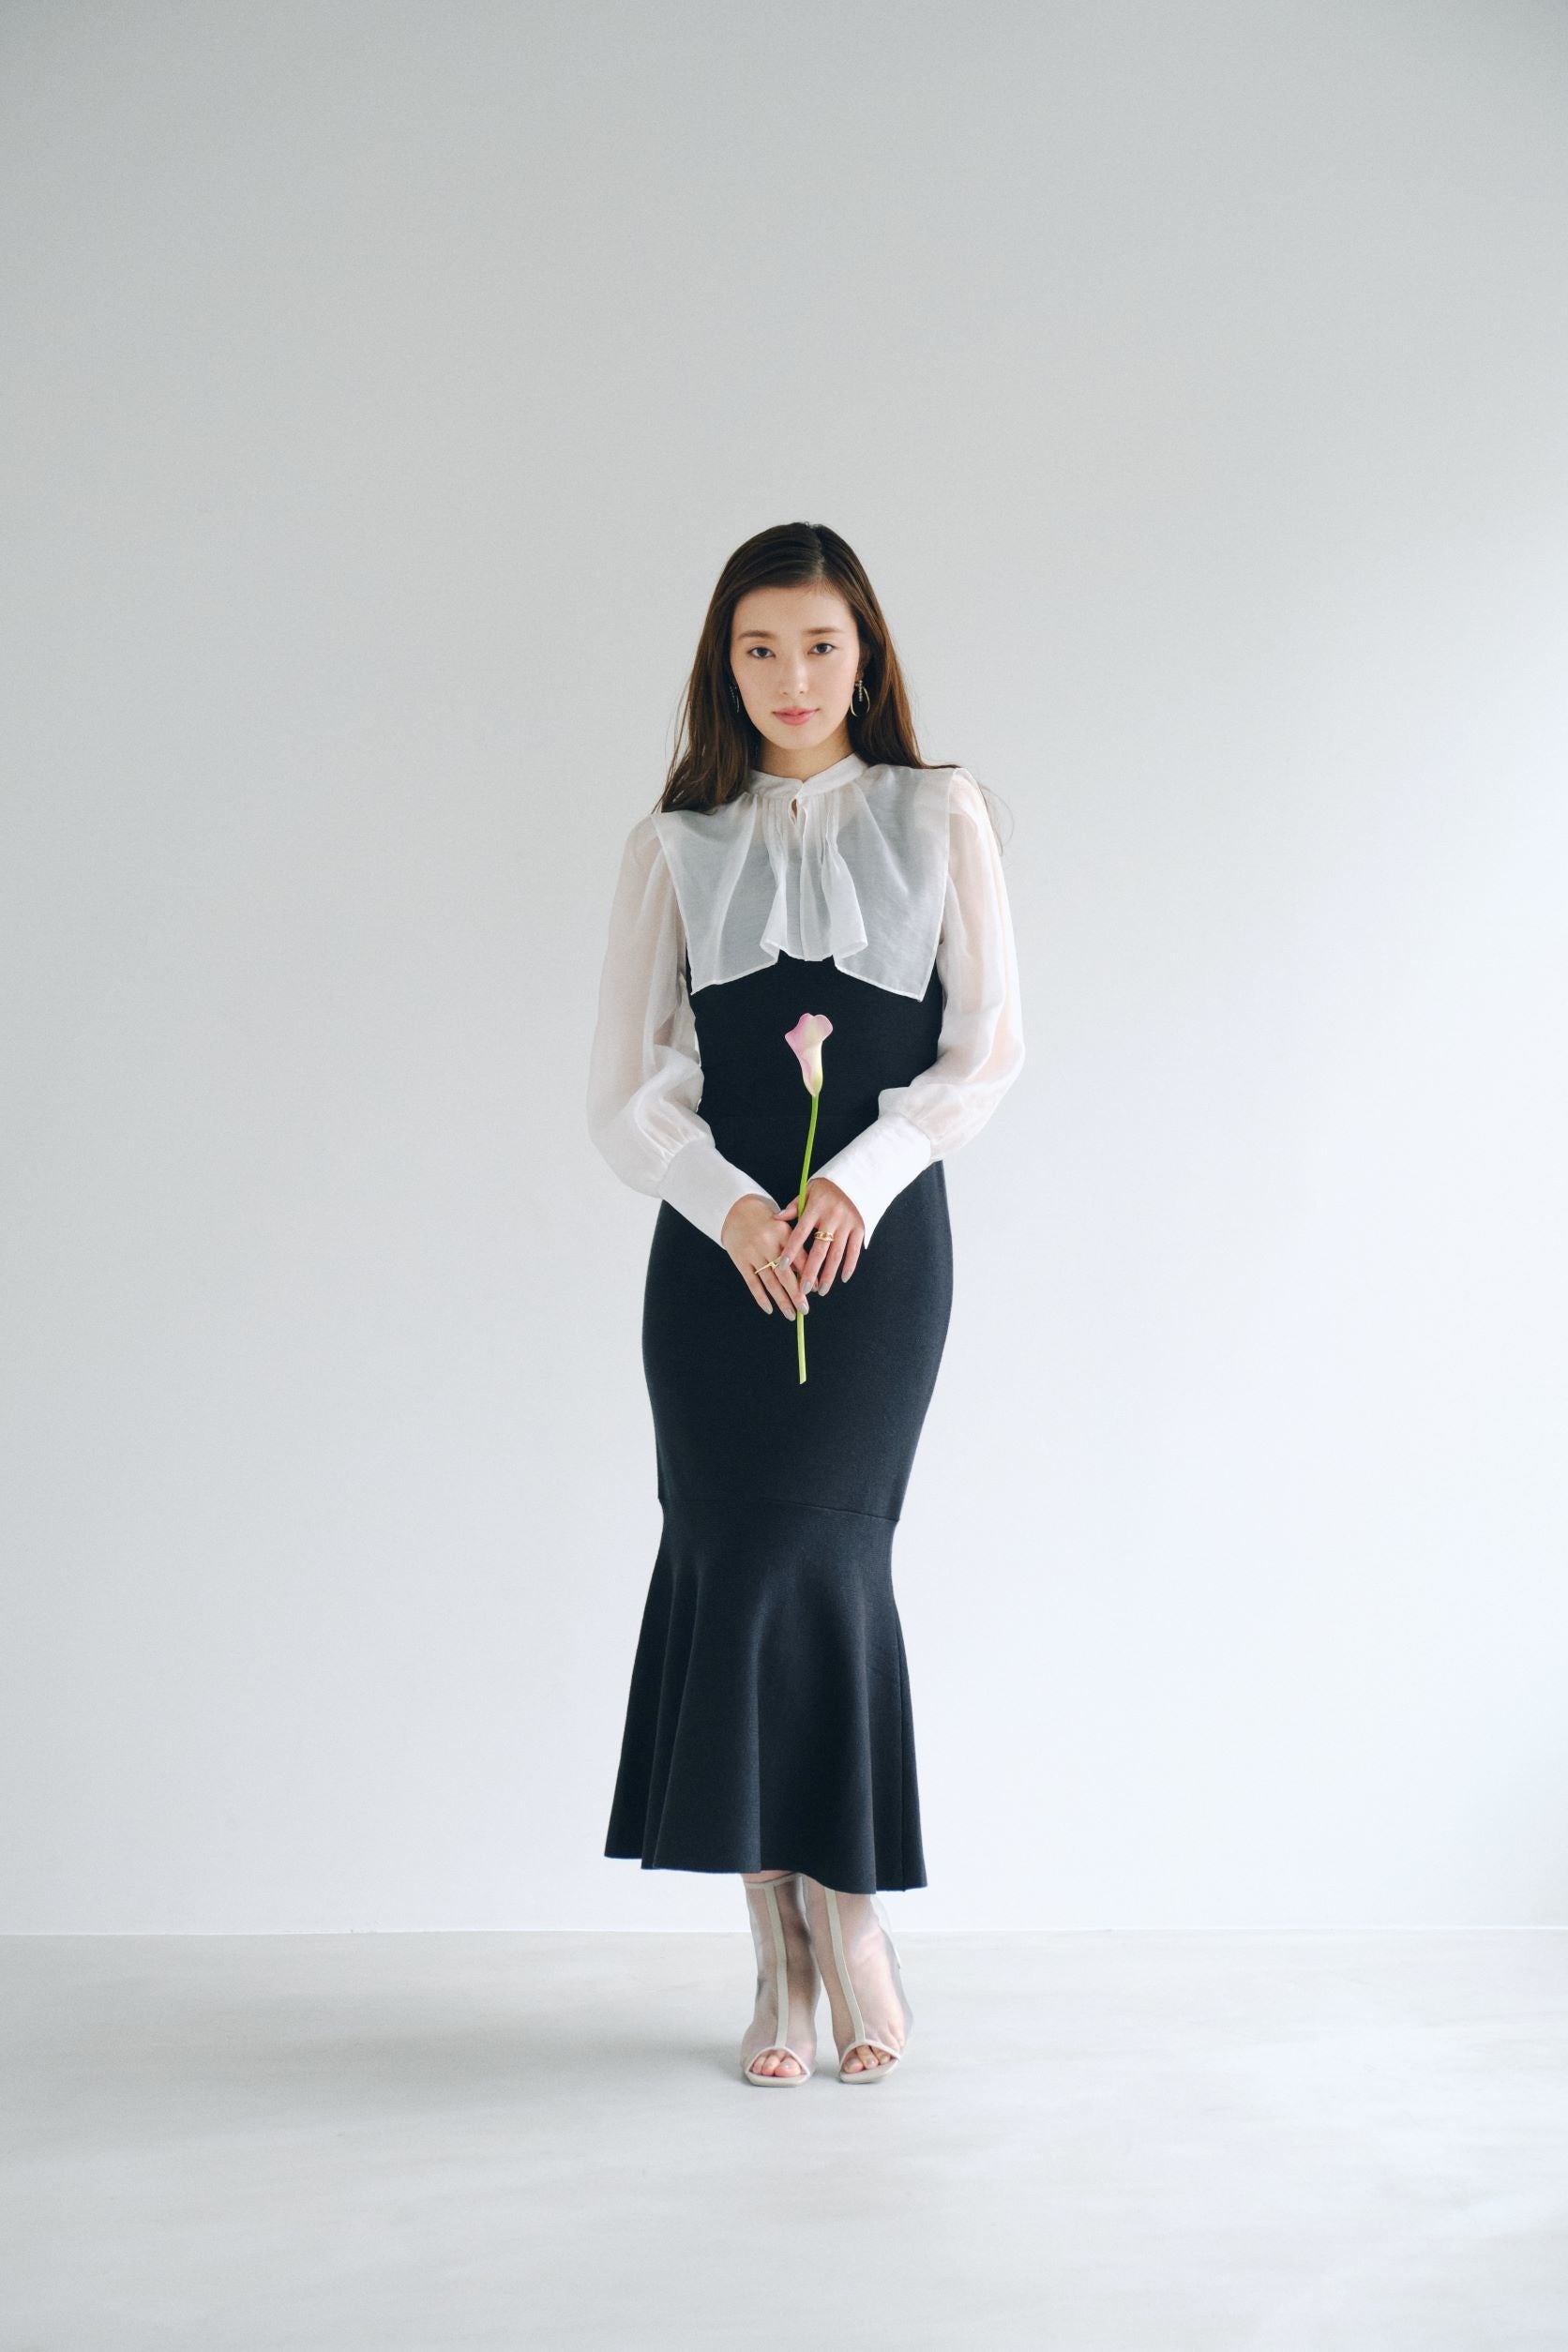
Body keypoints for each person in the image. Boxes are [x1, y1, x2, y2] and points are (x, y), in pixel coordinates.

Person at [585, 520, 1025, 2086]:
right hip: (719, 1270)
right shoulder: (675, 845)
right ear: (725, 664)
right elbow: (627, 1089)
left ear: (866, 656)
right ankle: (776, 1948)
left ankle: (852, 1922)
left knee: (827, 1566)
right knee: (734, 1571)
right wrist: (730, 1208)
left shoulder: (939, 812)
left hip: (876, 1258)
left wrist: (863, 1178)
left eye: (820, 646)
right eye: (759, 648)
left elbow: (986, 1048)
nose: (792, 676)